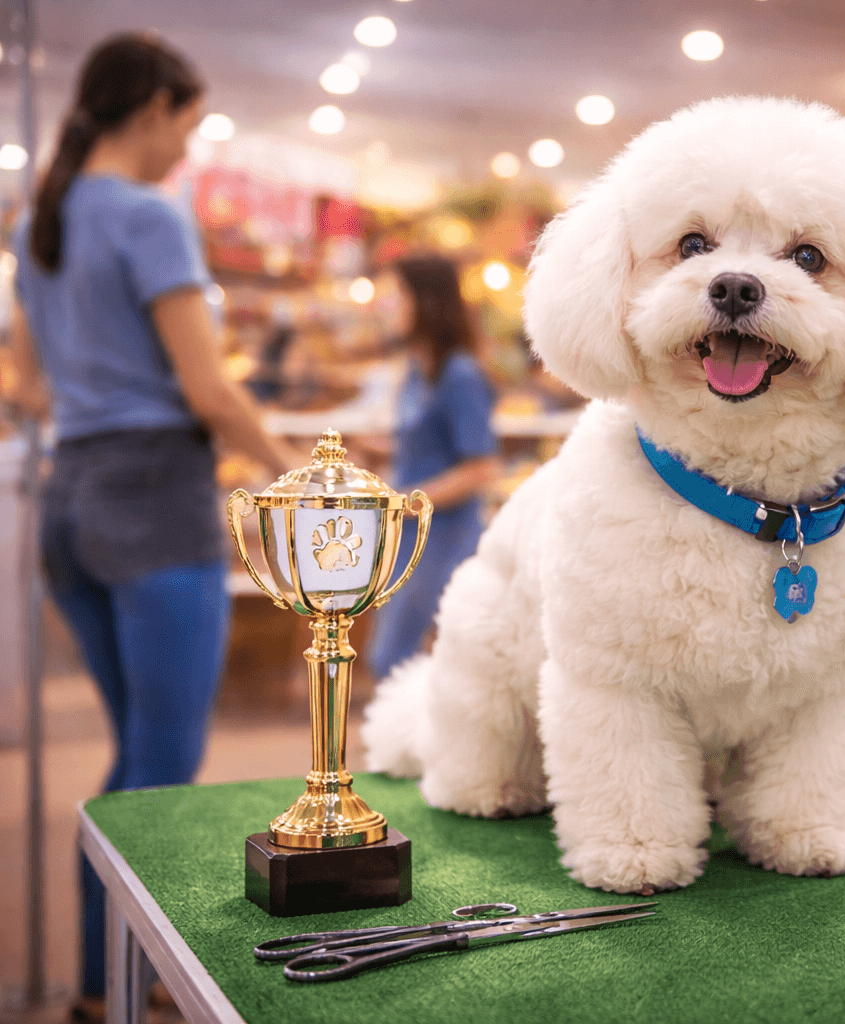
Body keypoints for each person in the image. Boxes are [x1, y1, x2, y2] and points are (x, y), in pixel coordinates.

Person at [4, 34, 301, 1021]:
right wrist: (294, 472)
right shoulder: (147, 214)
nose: (187, 146)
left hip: (72, 499)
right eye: (189, 124)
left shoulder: (39, 223)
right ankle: (121, 980)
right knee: (163, 763)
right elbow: (208, 388)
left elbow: (29, 384)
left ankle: (104, 978)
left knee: (136, 755)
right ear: (153, 110)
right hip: (153, 497)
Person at [365, 254, 499, 680]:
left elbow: (480, 468)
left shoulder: (460, 375)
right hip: (410, 536)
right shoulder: (417, 369)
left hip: (443, 540)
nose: (386, 306)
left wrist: (402, 501)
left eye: (396, 296)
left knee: (396, 659)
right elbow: (428, 446)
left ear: (425, 301)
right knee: (392, 657)